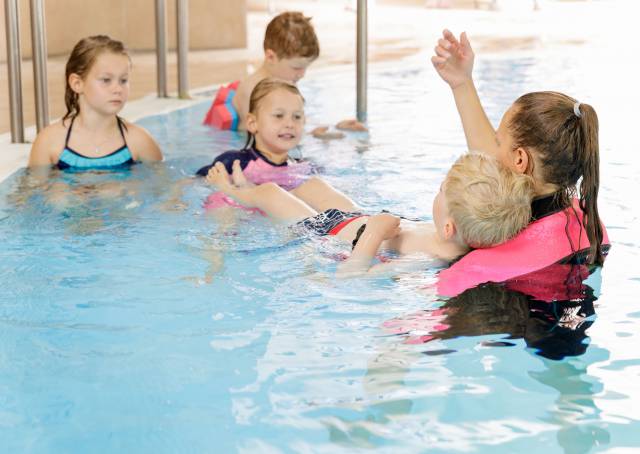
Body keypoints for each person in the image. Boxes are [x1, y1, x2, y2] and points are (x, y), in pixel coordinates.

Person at [431, 29, 606, 266]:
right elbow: (496, 158)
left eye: (498, 140)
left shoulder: (496, 245)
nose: (492, 147)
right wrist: (462, 83)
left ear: (520, 160)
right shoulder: (588, 224)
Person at [205, 151, 534, 276]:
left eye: (441, 190)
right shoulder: (450, 231)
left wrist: (374, 234)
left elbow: (351, 277)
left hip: (326, 233)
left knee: (270, 194)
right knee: (317, 186)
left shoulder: (426, 260)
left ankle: (236, 190)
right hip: (355, 220)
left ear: (449, 228)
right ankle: (248, 191)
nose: (438, 189)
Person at [197, 78, 356, 211]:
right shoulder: (233, 163)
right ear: (252, 123)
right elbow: (195, 182)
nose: (289, 123)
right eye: (279, 116)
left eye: (297, 117)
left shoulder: (306, 168)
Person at [202, 11, 365, 136]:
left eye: (305, 67)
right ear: (271, 56)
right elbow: (255, 140)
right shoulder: (253, 91)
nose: (302, 74)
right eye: (296, 68)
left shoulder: (284, 83)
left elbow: (291, 124)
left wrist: (335, 127)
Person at [28, 35, 162, 171]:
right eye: (106, 80)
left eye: (123, 80)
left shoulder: (139, 142)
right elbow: (35, 190)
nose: (118, 89)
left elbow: (161, 189)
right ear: (77, 83)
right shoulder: (49, 141)